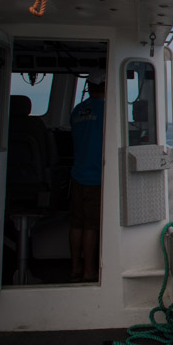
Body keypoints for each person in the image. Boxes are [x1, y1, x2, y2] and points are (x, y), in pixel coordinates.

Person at [70, 71, 105, 282]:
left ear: (89, 87)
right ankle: (89, 271)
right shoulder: (106, 111)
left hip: (77, 174)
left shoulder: (78, 110)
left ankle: (75, 267)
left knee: (76, 224)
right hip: (97, 177)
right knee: (91, 226)